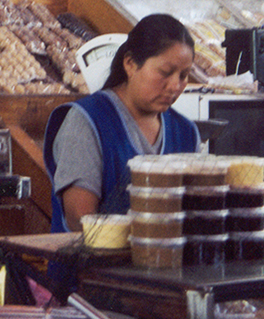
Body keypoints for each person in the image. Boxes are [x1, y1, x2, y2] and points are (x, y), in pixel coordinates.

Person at [45, 13, 199, 232]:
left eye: (184, 76)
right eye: (165, 72)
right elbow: (79, 218)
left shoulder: (186, 132)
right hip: (92, 255)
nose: (175, 85)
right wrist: (146, 237)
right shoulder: (88, 121)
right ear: (130, 64)